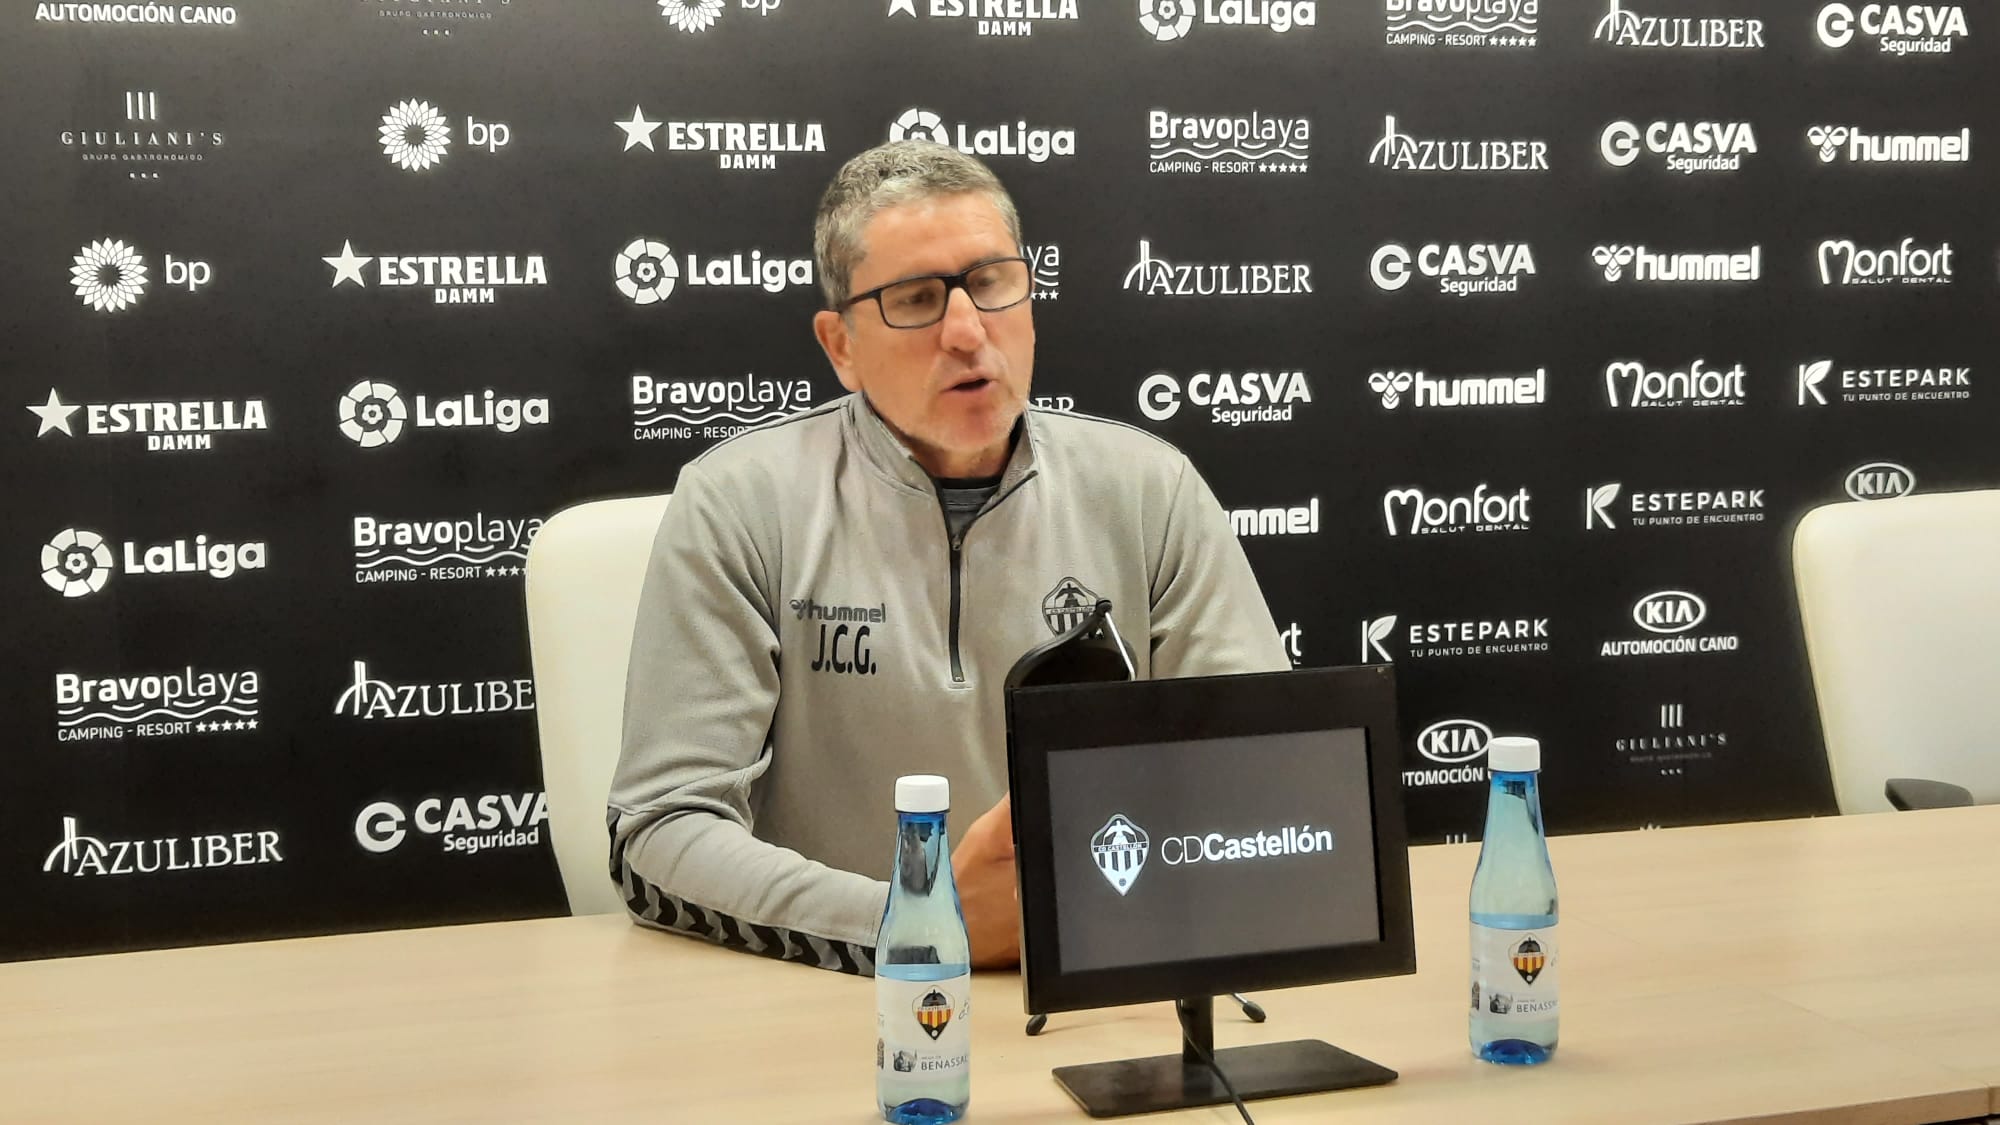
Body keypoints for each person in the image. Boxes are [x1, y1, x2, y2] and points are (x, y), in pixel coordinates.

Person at [608, 140, 1288, 975]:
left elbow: (1267, 781)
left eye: (992, 283)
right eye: (916, 299)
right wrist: (919, 921)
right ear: (841, 345)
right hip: (833, 990)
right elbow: (657, 836)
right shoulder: (738, 502)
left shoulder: (1154, 490)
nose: (967, 332)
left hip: (1100, 978)